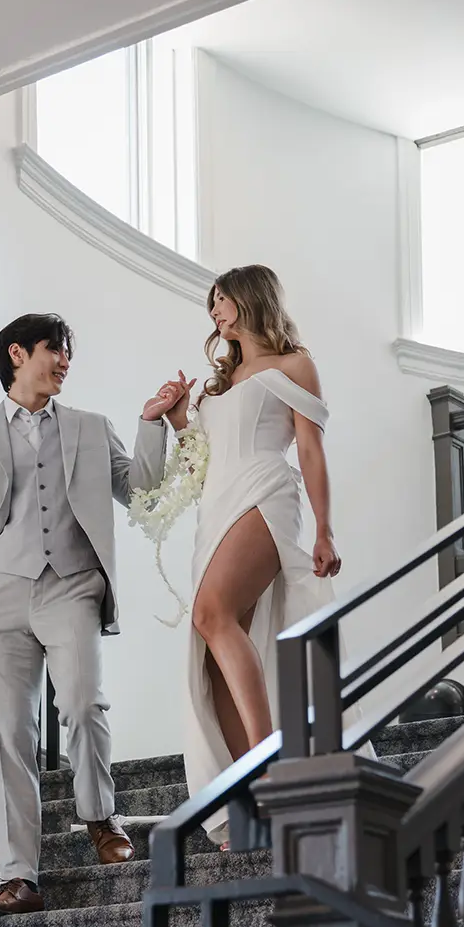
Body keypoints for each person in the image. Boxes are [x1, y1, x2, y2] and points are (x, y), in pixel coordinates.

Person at [0, 312, 191, 915]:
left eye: (69, 352)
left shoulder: (87, 426)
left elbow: (140, 491)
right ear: (18, 354)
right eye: (56, 349)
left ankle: (101, 818)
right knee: (8, 737)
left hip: (71, 585)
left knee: (82, 701)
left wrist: (152, 422)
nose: (65, 362)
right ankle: (19, 874)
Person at [176, 264, 347, 846]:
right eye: (213, 306)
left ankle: (272, 766)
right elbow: (200, 458)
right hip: (217, 507)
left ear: (251, 300)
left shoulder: (294, 364)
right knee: (214, 654)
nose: (216, 313)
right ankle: (242, 796)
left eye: (223, 301)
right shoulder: (218, 383)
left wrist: (324, 530)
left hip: (266, 493)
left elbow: (309, 448)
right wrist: (178, 417)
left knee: (211, 614)